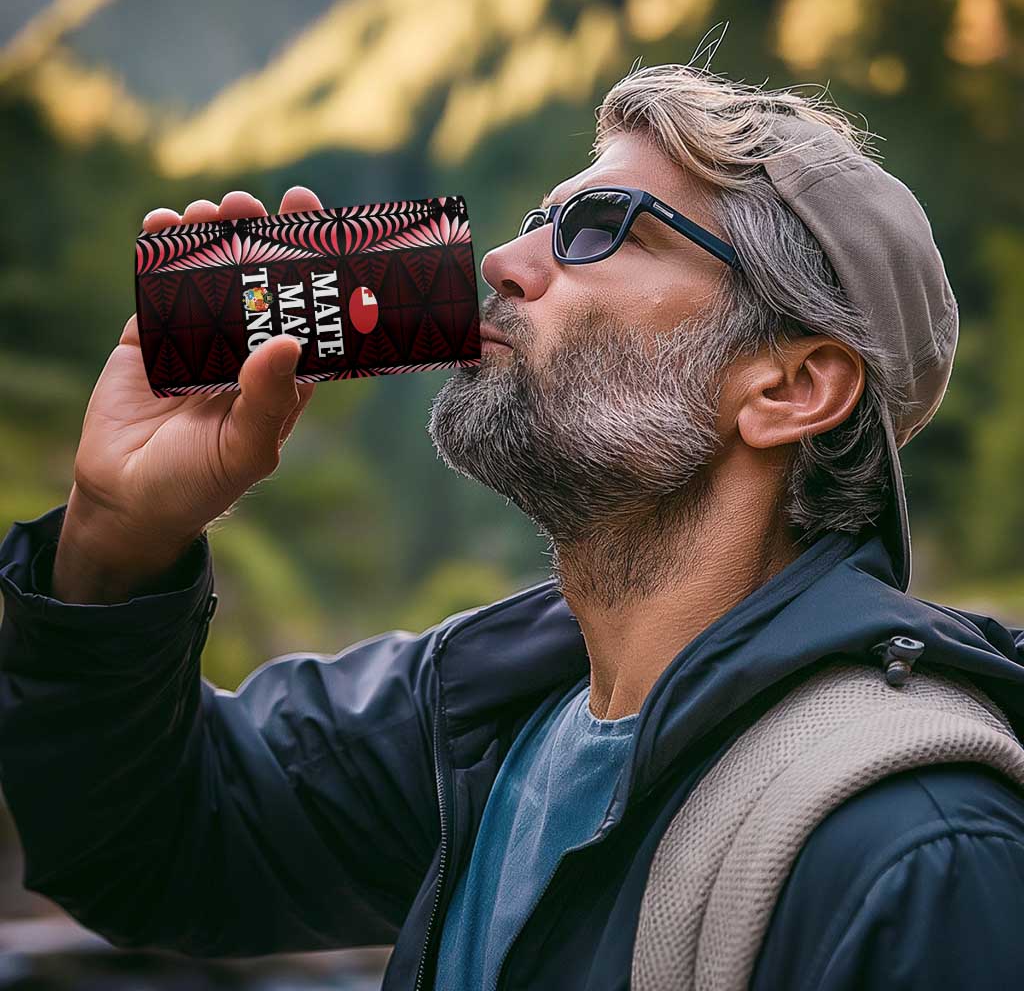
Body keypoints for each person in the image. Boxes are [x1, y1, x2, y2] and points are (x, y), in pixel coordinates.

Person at [2, 62, 1024, 991]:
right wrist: (116, 540)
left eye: (601, 228)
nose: (501, 259)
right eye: (541, 219)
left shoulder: (918, 854)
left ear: (790, 388)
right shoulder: (482, 713)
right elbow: (150, 846)